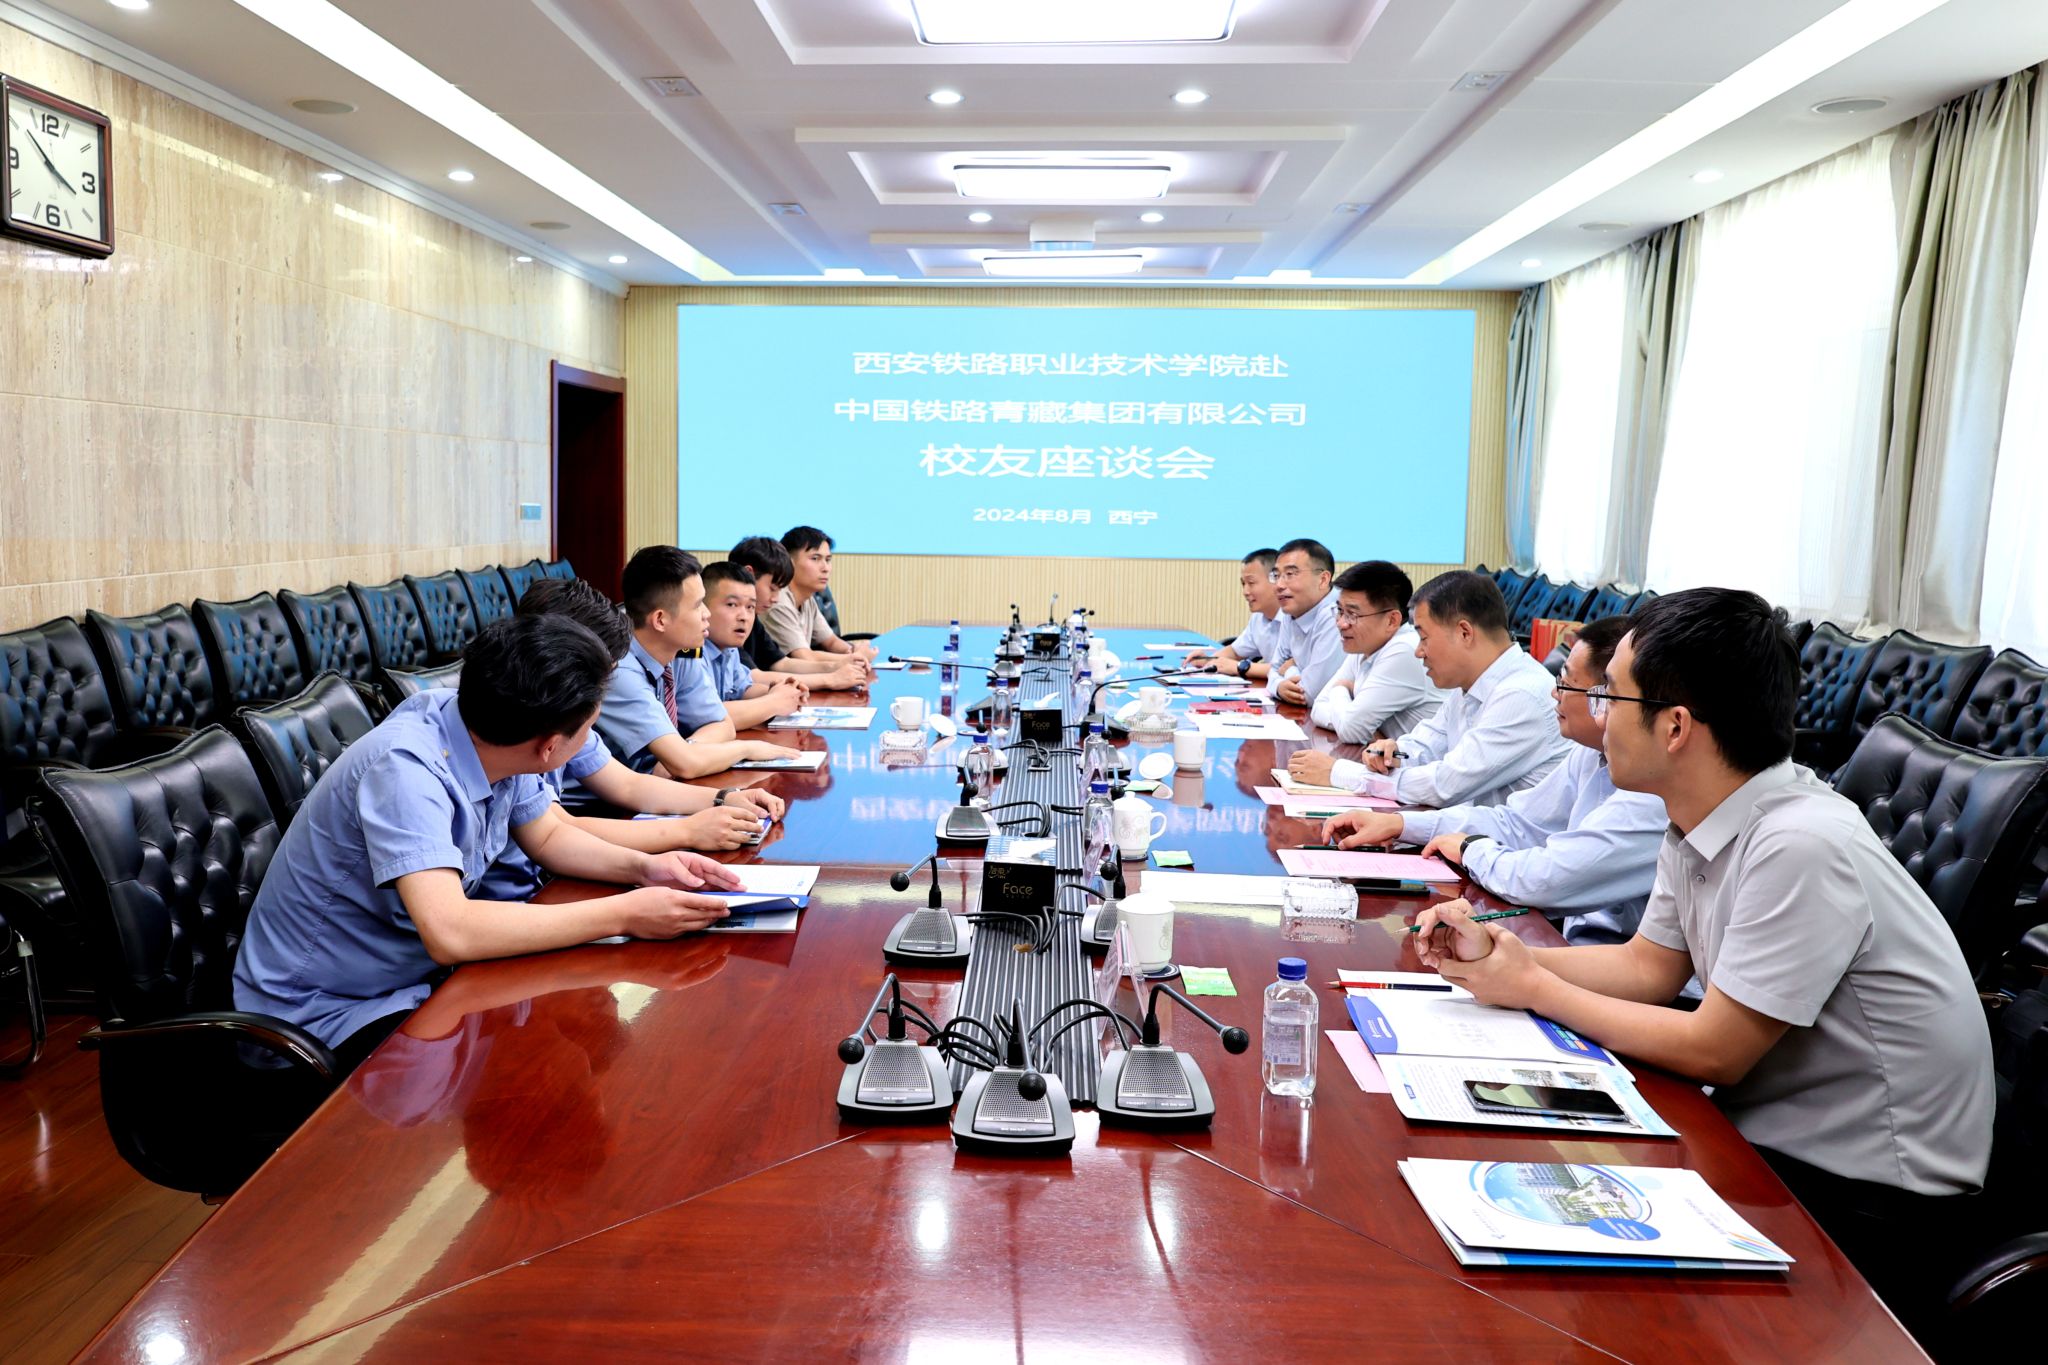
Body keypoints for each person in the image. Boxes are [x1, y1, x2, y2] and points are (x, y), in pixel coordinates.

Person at [1411, 588, 1992, 1337]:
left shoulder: (1800, 842)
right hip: (1768, 1137)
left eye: (1609, 695)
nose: (1595, 715)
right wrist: (1507, 957)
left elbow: (1716, 1048)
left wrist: (1534, 988)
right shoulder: (1701, 815)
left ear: (1676, 725)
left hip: (1865, 1196)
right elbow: (1649, 968)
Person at [232, 614, 746, 1070]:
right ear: (550, 748)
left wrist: (645, 869)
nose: (589, 742)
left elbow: (549, 835)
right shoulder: (406, 770)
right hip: (324, 1016)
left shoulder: (487, 730)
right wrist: (625, 914)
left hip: (420, 981)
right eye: (588, 729)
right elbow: (450, 931)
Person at [1322, 616, 1663, 946]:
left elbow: (1546, 879)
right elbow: (1519, 822)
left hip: (1592, 951)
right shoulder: (1590, 751)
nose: (1554, 693)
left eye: (1608, 697)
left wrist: (1471, 849)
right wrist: (1401, 824)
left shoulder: (1651, 789)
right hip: (1564, 937)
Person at [477, 577, 786, 901]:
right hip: (517, 896)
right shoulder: (516, 724)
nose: (602, 694)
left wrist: (724, 798)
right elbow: (560, 829)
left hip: (546, 879)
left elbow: (627, 785)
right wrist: (688, 831)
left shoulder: (567, 714)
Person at [1326, 570, 1568, 805]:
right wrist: (1391, 753)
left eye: (1424, 638)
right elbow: (1427, 746)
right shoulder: (1471, 684)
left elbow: (1445, 786)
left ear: (1464, 633)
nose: (1418, 652)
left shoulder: (1520, 694)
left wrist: (1339, 773)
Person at [597, 545, 801, 779]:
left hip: (654, 784)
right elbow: (686, 766)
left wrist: (689, 750)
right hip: (603, 797)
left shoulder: (681, 649)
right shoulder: (620, 669)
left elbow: (723, 725)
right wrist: (746, 749)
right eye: (697, 605)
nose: (707, 614)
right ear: (660, 620)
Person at [1295, 561, 1443, 762]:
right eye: (1340, 611)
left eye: (1352, 614)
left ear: (1391, 620)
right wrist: (1363, 727)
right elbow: (1319, 707)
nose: (1341, 623)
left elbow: (1350, 730)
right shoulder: (1365, 644)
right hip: (1385, 763)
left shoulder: (1404, 650)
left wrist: (1339, 690)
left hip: (1420, 770)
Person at [730, 535, 871, 689]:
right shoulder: (727, 621)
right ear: (749, 575)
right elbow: (752, 677)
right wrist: (829, 679)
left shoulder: (753, 619)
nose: (775, 599)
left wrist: (838, 665)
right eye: (772, 589)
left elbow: (781, 663)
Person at [699, 559, 813, 728]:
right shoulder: (691, 652)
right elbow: (710, 716)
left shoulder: (729, 650)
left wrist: (782, 691)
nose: (744, 617)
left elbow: (743, 689)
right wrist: (774, 701)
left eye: (750, 607)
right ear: (702, 608)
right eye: (732, 605)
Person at [765, 526, 876, 662]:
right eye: (815, 558)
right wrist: (854, 657)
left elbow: (831, 642)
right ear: (788, 562)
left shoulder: (807, 598)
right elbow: (804, 657)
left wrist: (854, 650)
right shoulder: (778, 602)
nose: (825, 568)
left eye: (828, 560)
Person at [1263, 538, 1344, 705]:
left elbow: (1311, 695)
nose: (1279, 585)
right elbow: (1274, 669)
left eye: (1290, 574)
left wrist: (1289, 670)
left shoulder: (1336, 614)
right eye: (1276, 576)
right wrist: (1279, 686)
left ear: (1323, 579)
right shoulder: (1292, 608)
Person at [1185, 549, 1283, 682]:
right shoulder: (1259, 617)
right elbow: (1235, 652)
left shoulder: (1294, 616)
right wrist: (1209, 660)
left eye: (1251, 583)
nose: (1245, 592)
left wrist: (1240, 667)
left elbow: (1287, 669)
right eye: (1243, 584)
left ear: (1276, 580)